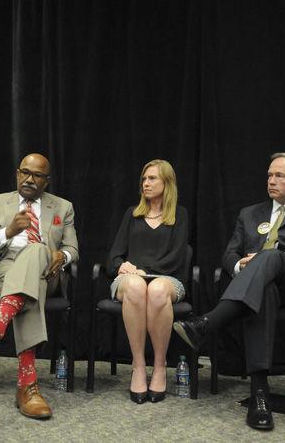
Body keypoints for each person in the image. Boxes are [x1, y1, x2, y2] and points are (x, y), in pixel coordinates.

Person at [174, 152, 285, 430]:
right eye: (270, 175)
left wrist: (278, 259)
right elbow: (229, 254)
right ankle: (260, 393)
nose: (271, 180)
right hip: (259, 288)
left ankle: (208, 322)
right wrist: (239, 265)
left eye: (279, 175)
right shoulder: (250, 214)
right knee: (264, 290)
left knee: (269, 256)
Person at [0, 153, 78, 419]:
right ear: (17, 173)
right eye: (24, 172)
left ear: (46, 181)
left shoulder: (63, 207)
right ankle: (27, 386)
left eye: (37, 175)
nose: (29, 179)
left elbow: (72, 247)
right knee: (28, 290)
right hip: (0, 268)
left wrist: (63, 256)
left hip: (46, 272)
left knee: (37, 250)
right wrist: (7, 232)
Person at [107, 159, 188, 404]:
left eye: (152, 178)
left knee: (155, 288)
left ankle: (160, 366)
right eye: (144, 179)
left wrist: (146, 271)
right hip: (131, 280)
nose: (146, 183)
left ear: (167, 183)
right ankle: (139, 366)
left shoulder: (180, 215)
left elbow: (177, 257)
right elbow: (114, 255)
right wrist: (122, 266)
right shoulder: (132, 214)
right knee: (135, 285)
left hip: (167, 279)